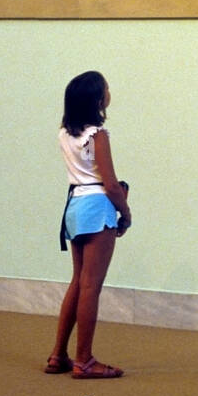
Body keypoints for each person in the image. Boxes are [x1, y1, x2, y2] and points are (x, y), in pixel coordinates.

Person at [44, 71, 131, 379]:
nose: (109, 92)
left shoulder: (64, 134)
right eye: (106, 88)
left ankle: (59, 355)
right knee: (91, 286)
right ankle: (84, 360)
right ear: (97, 99)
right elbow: (109, 184)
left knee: (77, 282)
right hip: (98, 208)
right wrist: (126, 211)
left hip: (75, 206)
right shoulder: (98, 136)